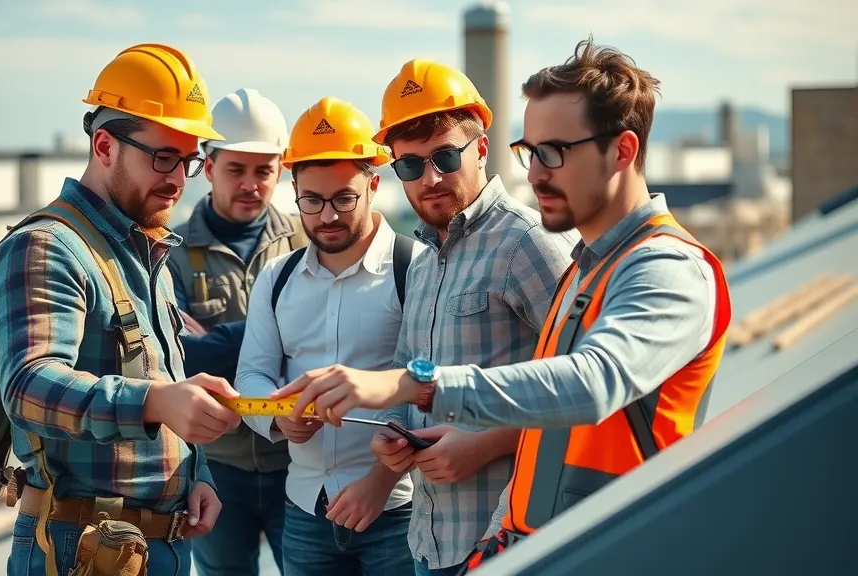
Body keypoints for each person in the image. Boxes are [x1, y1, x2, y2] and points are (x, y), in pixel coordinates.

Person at [272, 37, 733, 573]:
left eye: (554, 153)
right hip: (491, 542)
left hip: (616, 544)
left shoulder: (665, 268)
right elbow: (547, 425)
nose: (536, 173)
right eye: (531, 153)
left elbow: (588, 385)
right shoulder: (584, 267)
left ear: (623, 151)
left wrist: (419, 386)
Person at [275, 59, 578, 576]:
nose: (430, 178)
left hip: (508, 542)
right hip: (430, 542)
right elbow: (408, 379)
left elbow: (589, 392)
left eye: (445, 157)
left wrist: (488, 443)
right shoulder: (424, 261)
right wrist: (392, 437)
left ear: (481, 148)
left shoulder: (530, 244)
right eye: (411, 166)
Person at [0, 43, 243, 576]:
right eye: (163, 157)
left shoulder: (144, 253)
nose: (177, 178)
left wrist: (198, 477)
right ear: (104, 146)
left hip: (152, 545)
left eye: (189, 160)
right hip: (78, 548)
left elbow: (159, 380)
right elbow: (28, 388)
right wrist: (156, 403)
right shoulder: (47, 247)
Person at [235, 96, 422, 576]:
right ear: (294, 190)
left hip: (397, 511)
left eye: (343, 198)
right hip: (305, 509)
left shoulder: (415, 270)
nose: (327, 216)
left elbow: (430, 385)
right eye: (311, 201)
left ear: (374, 185)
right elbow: (253, 374)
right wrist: (279, 419)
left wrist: (382, 480)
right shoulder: (276, 280)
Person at [167, 88, 305, 576]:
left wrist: (219, 341)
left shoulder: (307, 242)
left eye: (263, 170)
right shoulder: (172, 254)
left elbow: (331, 340)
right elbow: (178, 360)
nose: (251, 184)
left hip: (300, 461)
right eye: (236, 170)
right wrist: (278, 328)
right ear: (208, 166)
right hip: (217, 467)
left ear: (281, 170)